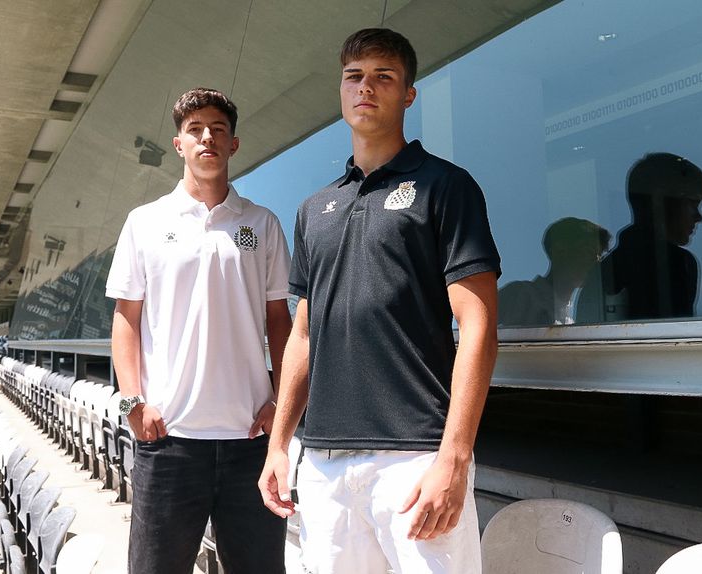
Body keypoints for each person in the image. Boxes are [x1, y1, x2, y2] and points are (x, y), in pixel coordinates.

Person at [259, 28, 502, 573]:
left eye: (383, 76)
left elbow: (479, 325)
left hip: (416, 456)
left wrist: (454, 457)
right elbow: (303, 335)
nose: (365, 87)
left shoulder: (446, 186)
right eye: (354, 76)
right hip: (324, 461)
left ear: (409, 94)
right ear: (341, 91)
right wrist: (280, 445)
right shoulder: (314, 208)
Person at [106, 87, 292, 574]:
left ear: (233, 144)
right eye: (195, 130)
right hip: (168, 442)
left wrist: (281, 401)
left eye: (218, 129)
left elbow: (281, 322)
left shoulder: (262, 224)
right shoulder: (144, 222)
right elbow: (126, 320)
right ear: (179, 144)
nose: (207, 137)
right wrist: (131, 402)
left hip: (251, 443)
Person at [577, 152, 702, 322]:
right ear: (660, 201)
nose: (699, 217)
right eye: (693, 203)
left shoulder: (602, 273)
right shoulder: (678, 263)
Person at [498, 217, 610, 326]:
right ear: (559, 251)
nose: (595, 263)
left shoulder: (572, 319)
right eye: (588, 252)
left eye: (599, 257)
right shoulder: (519, 295)